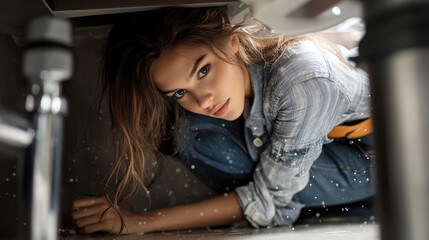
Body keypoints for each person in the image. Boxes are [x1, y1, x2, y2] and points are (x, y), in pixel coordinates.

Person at [71, 6, 375, 234]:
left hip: (374, 158)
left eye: (203, 71)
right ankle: (300, 202)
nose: (202, 100)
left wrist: (140, 222)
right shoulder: (250, 61)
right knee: (188, 134)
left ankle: (337, 208)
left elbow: (268, 199)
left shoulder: (303, 84)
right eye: (179, 92)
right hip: (312, 136)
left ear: (230, 38)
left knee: (263, 192)